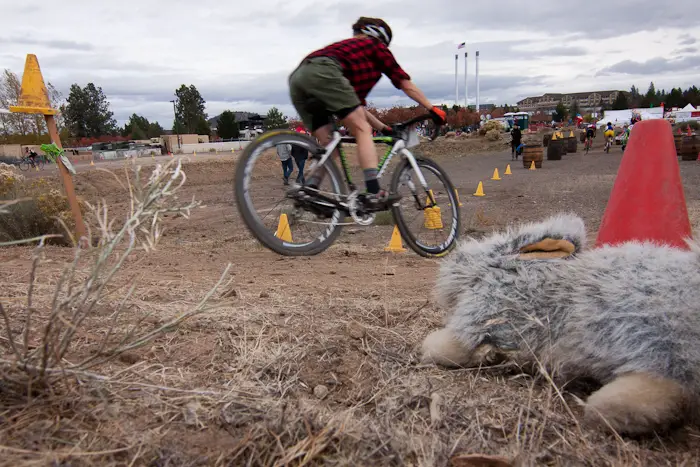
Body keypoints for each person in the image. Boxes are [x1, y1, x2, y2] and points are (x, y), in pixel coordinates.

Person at [287, 16, 447, 210]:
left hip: (299, 78)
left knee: (331, 146)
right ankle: (373, 191)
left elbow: (357, 107)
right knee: (362, 129)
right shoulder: (374, 46)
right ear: (382, 38)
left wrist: (383, 128)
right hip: (325, 72)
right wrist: (432, 109)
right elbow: (403, 82)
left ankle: (310, 188)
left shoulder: (350, 54)